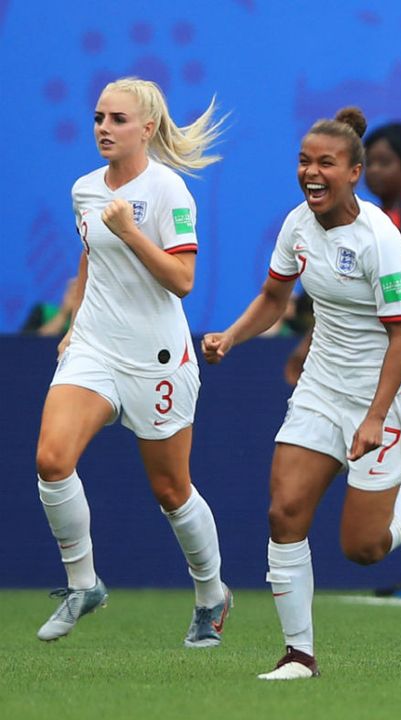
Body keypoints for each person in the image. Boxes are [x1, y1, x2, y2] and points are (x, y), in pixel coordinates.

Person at [201, 107, 401, 680]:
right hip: (322, 387)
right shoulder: (297, 225)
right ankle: (298, 654)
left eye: (325, 162)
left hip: (385, 394)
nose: (311, 172)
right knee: (284, 512)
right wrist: (231, 335)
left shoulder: (381, 238)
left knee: (365, 548)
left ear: (354, 172)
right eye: (304, 161)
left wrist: (377, 416)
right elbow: (275, 297)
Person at [32, 77, 232, 647]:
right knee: (51, 459)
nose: (103, 128)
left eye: (117, 120)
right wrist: (73, 326)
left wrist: (131, 230)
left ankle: (211, 593)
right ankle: (83, 583)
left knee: (171, 491)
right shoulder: (84, 189)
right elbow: (91, 256)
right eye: (98, 117)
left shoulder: (170, 192)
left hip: (158, 359)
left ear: (146, 128)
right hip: (95, 346)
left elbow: (183, 280)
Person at [284, 121, 401, 386]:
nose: (374, 171)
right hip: (374, 352)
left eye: (385, 162)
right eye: (369, 163)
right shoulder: (367, 219)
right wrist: (307, 344)